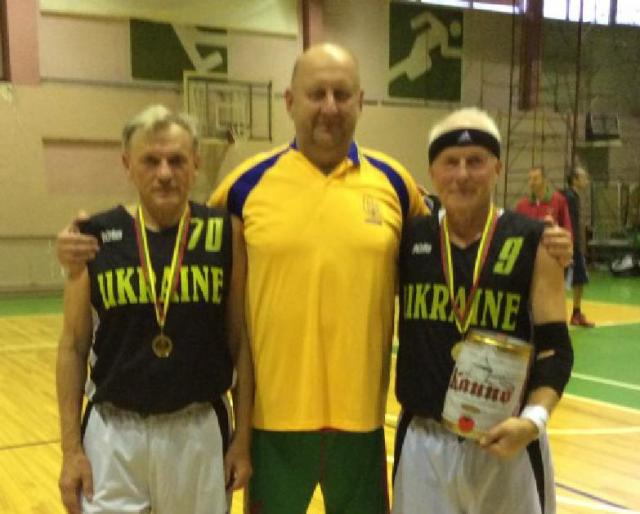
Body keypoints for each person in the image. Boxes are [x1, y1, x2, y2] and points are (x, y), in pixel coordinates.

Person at [55, 44, 573, 514]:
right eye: (316, 93)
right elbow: (173, 234)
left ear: (361, 102)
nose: (329, 106)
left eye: (342, 94)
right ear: (289, 101)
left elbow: (457, 230)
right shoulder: (243, 186)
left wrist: (541, 242)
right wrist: (80, 243)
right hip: (273, 424)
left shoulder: (395, 184)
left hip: (362, 423)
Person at [56, 105, 253, 514]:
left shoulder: (224, 232)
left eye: (177, 160)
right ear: (127, 165)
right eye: (150, 160)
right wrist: (71, 450)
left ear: (196, 164)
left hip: (197, 429)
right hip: (113, 433)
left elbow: (240, 342)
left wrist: (243, 440)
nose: (164, 173)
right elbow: (73, 346)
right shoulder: (94, 237)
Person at [393, 108, 573, 514]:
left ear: (497, 168)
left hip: (508, 443)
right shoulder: (406, 238)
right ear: (433, 172)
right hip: (425, 442)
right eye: (451, 162)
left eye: (475, 161)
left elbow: (556, 350)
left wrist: (532, 421)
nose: (462, 174)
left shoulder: (536, 241)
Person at [562, 166, 595, 327]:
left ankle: (576, 314)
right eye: (583, 177)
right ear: (575, 180)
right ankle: (575, 314)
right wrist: (572, 244)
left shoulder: (572, 196)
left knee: (577, 279)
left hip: (571, 242)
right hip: (571, 244)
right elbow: (568, 222)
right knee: (579, 278)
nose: (586, 180)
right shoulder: (570, 197)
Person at [515, 166, 573, 235]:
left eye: (535, 179)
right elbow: (516, 230)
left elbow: (567, 229)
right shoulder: (521, 205)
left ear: (545, 180)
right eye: (530, 179)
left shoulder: (559, 200)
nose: (531, 183)